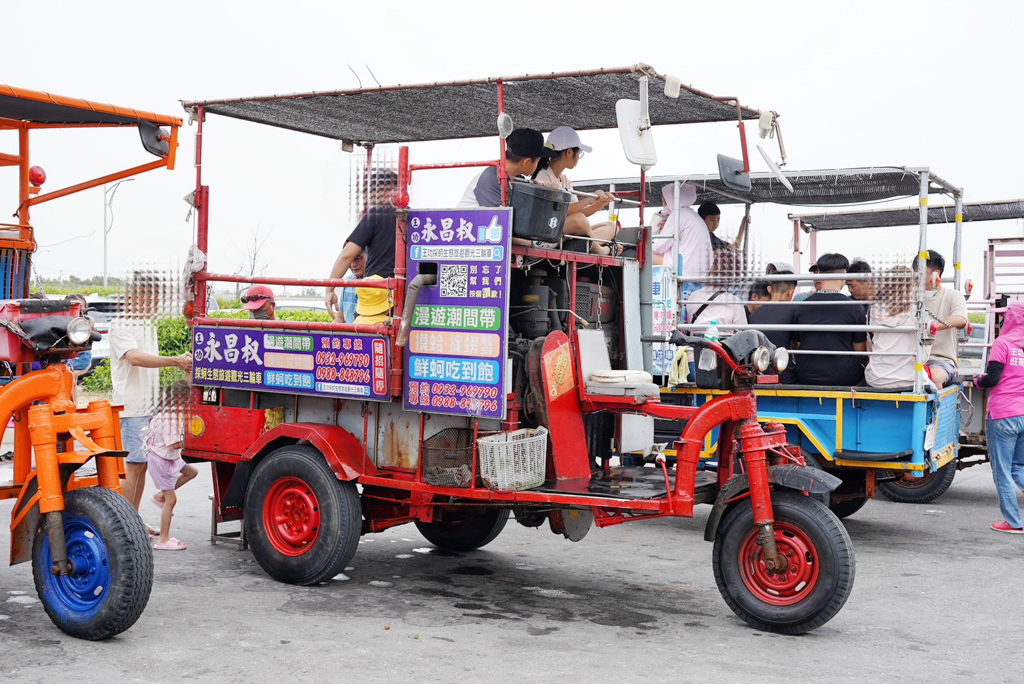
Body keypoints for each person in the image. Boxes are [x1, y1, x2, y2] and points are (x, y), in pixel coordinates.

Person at [110, 273, 193, 519]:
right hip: (132, 408)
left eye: (158, 297)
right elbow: (134, 358)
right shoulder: (121, 324)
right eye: (151, 296)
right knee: (134, 467)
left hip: (149, 408)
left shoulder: (147, 325)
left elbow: (151, 362)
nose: (155, 302)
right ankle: (125, 525)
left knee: (142, 466)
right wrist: (175, 361)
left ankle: (133, 522)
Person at [972, 301, 1024, 534]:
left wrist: (977, 381)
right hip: (1023, 413)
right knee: (1018, 467)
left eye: (1005, 317)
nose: (1002, 321)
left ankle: (1013, 522)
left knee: (1002, 470)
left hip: (1003, 415)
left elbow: (992, 379)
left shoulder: (1002, 343)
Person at [532, 126, 618, 255]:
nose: (578, 158)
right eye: (579, 154)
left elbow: (578, 211)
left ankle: (586, 242)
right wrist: (590, 198)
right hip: (547, 230)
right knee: (580, 220)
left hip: (563, 229)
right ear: (569, 152)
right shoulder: (543, 176)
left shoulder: (564, 179)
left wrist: (599, 203)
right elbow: (563, 212)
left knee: (612, 226)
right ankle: (601, 250)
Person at [325, 169, 398, 319]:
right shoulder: (414, 218)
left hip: (376, 299)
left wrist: (329, 290)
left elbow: (347, 255)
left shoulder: (376, 215)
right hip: (405, 299)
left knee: (369, 339)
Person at [790, 253, 867, 386]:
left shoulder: (802, 306)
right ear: (844, 273)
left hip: (806, 374)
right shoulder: (854, 308)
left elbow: (796, 345)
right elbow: (859, 351)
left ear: (820, 273)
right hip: (846, 375)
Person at [146, 383, 199, 550]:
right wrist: (194, 440)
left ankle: (159, 496)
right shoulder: (170, 416)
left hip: (169, 457)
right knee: (172, 499)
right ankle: (163, 539)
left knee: (191, 472)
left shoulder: (168, 410)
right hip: (161, 459)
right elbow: (175, 443)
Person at [457, 128, 555, 209]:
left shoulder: (518, 178)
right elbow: (500, 219)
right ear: (527, 162)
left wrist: (542, 190)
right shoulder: (491, 178)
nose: (538, 164)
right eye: (538, 161)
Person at [915, 250, 967, 387]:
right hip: (912, 358)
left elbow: (960, 319)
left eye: (920, 273)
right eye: (914, 273)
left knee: (935, 378)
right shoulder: (910, 297)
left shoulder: (953, 296)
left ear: (935, 274)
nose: (916, 277)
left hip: (939, 360)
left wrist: (930, 327)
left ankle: (937, 409)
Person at [864, 266, 920, 389]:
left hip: (876, 378)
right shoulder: (918, 312)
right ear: (911, 287)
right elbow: (924, 356)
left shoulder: (873, 310)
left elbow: (869, 346)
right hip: (910, 379)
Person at [650, 183, 712, 279]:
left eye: (664, 199)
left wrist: (644, 247)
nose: (663, 203)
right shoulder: (691, 214)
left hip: (683, 267)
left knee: (644, 255)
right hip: (697, 270)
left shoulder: (678, 214)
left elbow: (659, 247)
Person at [687, 251, 747, 327]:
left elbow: (690, 327)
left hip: (695, 338)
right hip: (723, 339)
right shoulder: (735, 303)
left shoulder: (694, 296)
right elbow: (742, 334)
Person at [749, 271, 797, 350]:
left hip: (761, 360)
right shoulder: (794, 311)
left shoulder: (754, 314)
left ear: (769, 289)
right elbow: (796, 344)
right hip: (783, 360)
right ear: (790, 292)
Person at [63, 294, 93, 402]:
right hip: (68, 355)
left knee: (70, 376)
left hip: (81, 355)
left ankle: (73, 404)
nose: (77, 311)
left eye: (80, 308)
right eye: (73, 308)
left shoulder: (85, 322)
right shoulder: (63, 321)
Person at [339, 247, 366, 324]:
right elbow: (340, 318)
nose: (353, 264)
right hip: (349, 334)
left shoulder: (378, 282)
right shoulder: (348, 281)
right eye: (350, 260)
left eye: (358, 258)